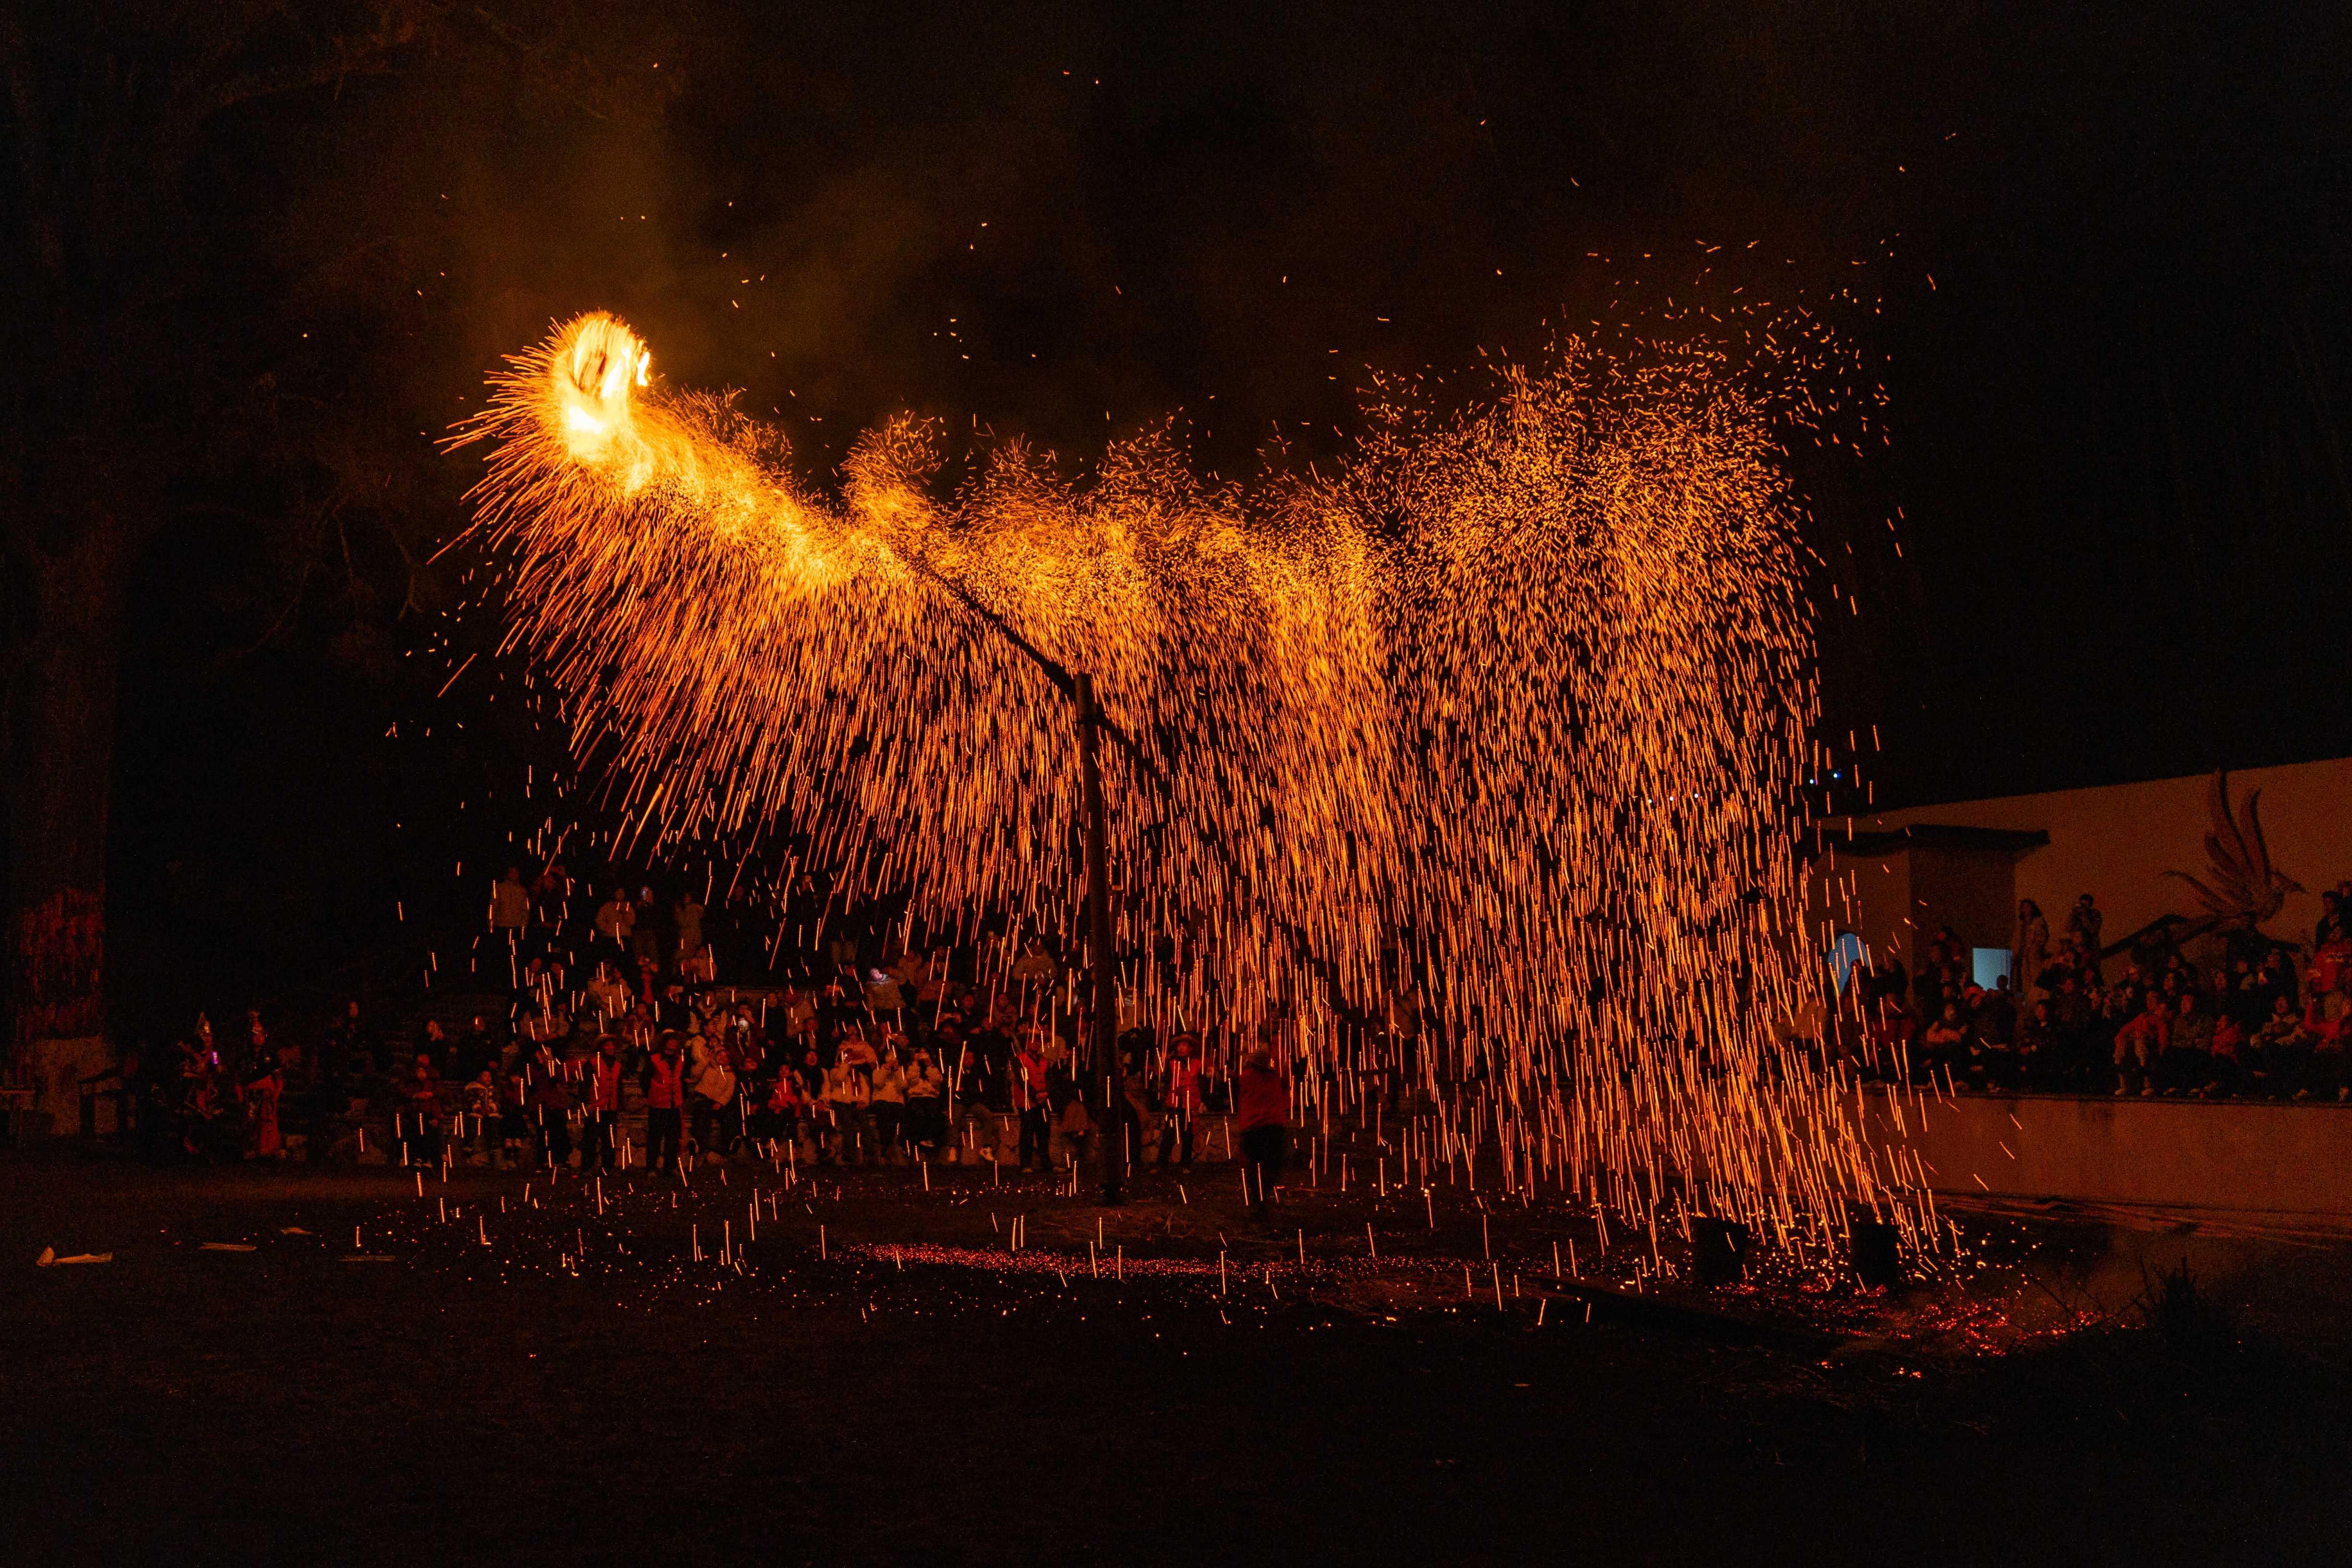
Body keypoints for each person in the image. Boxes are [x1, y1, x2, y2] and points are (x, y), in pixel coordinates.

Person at [1235, 1032, 1291, 1222]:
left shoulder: (1245, 1078)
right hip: (1274, 1128)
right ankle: (1264, 1198)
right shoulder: (1276, 1078)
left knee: (1254, 1167)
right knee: (1271, 1166)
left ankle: (1258, 1201)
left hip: (1253, 1129)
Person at [580, 1036, 624, 1173]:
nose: (610, 1048)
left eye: (612, 1045)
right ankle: (587, 1166)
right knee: (590, 1139)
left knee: (609, 1139)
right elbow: (584, 1085)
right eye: (607, 1045)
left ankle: (608, 1167)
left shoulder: (618, 1065)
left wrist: (622, 1107)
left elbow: (620, 1088)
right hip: (595, 1107)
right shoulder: (592, 1064)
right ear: (601, 1048)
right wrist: (587, 1103)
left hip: (611, 1108)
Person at [689, 1040, 737, 1163]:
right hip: (703, 1098)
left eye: (725, 1056)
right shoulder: (708, 1066)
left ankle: (729, 1145)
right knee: (702, 1115)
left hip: (717, 1101)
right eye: (720, 1055)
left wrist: (720, 1103)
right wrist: (706, 1060)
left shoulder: (731, 1075)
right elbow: (695, 1073)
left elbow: (728, 1092)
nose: (722, 1058)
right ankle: (699, 1145)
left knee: (727, 1117)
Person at [643, 1033, 685, 1174]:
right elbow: (645, 1079)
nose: (673, 1043)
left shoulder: (680, 1060)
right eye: (670, 1041)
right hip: (658, 1105)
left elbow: (682, 1080)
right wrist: (652, 1095)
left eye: (675, 1041)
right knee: (655, 1137)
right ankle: (651, 1168)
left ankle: (670, 1167)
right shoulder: (654, 1059)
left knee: (673, 1138)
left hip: (674, 1105)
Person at [1159, 1033, 1202, 1165]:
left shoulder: (1197, 1064)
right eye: (1179, 1045)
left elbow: (1202, 1084)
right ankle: (1161, 1163)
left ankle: (1186, 1164)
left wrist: (1201, 1102)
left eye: (1184, 1045)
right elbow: (1166, 1083)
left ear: (1190, 1048)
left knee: (1188, 1135)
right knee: (1169, 1134)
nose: (1181, 1048)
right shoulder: (1172, 1064)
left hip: (1189, 1105)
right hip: (1174, 1104)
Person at [904, 1047, 946, 1157]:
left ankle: (929, 1139)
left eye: (925, 1054)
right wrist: (915, 1063)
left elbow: (938, 1080)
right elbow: (911, 1079)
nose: (923, 1056)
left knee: (935, 1114)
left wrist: (929, 1065)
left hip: (931, 1097)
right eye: (920, 1054)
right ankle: (920, 1141)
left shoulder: (933, 1067)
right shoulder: (912, 1067)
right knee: (919, 1114)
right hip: (916, 1096)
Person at [869, 1046, 907, 1161]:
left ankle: (897, 1145)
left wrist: (896, 1071)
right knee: (885, 1112)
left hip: (896, 1101)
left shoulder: (900, 1071)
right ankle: (885, 1144)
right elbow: (878, 1083)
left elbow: (903, 1086)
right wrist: (886, 1070)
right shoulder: (878, 1071)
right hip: (881, 1100)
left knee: (900, 1115)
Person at [492, 867, 532, 940]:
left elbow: (526, 909)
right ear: (507, 874)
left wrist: (524, 924)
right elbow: (493, 906)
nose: (514, 874)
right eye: (512, 872)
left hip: (517, 926)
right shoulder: (499, 888)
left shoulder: (522, 890)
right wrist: (491, 923)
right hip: (501, 926)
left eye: (516, 872)